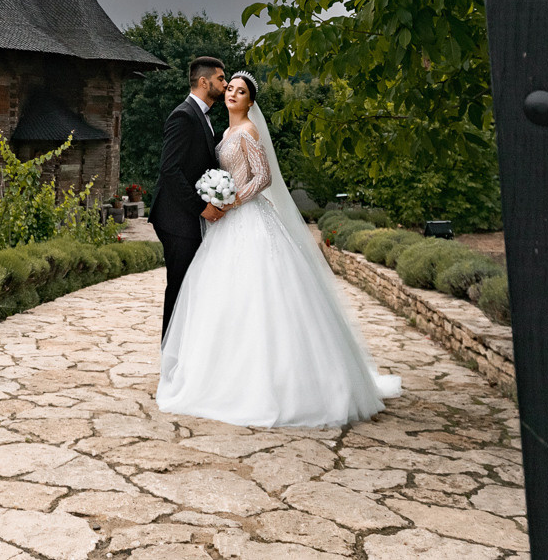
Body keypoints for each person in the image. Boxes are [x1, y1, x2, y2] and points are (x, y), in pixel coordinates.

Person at [157, 70, 402, 427]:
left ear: (250, 103)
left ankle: (281, 383)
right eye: (231, 89)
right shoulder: (223, 132)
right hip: (227, 224)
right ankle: (223, 373)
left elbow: (264, 177)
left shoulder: (249, 132)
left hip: (249, 218)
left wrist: (232, 201)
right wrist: (216, 197)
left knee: (264, 292)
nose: (232, 93)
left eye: (240, 92)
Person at [148, 56, 227, 337]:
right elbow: (170, 170)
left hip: (186, 218)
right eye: (220, 79)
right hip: (176, 219)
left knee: (190, 287)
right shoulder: (183, 114)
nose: (226, 84)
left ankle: (182, 354)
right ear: (204, 82)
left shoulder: (203, 117)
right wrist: (201, 208)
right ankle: (170, 359)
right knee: (180, 288)